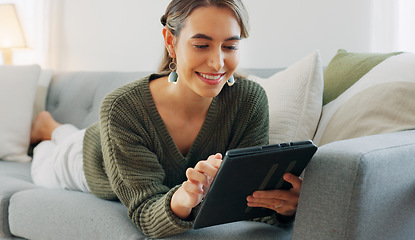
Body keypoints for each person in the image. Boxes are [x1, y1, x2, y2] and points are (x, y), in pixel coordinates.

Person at [30, 0, 302, 238]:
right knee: (44, 160)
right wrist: (184, 197)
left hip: (116, 139)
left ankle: (53, 127)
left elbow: (248, 199)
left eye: (230, 46)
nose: (218, 63)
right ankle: (48, 130)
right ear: (171, 42)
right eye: (201, 45)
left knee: (65, 135)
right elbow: (145, 212)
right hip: (85, 158)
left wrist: (284, 208)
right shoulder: (121, 107)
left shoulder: (249, 101)